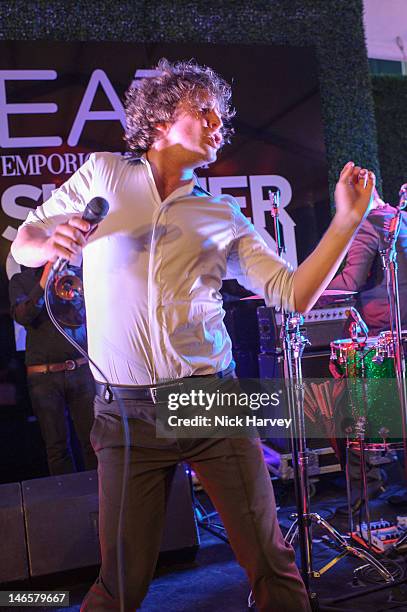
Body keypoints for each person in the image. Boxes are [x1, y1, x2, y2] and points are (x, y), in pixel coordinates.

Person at [10, 58, 375, 612]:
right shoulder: (105, 174)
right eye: (202, 111)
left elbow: (293, 292)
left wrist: (347, 221)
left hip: (209, 402)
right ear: (158, 119)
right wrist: (48, 240)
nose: (216, 123)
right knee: (119, 585)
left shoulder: (222, 214)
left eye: (220, 116)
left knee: (273, 569)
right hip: (127, 413)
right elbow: (26, 240)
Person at [8, 261, 97, 475]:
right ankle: (69, 504)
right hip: (44, 378)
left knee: (93, 443)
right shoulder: (21, 281)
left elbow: (88, 315)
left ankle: (102, 501)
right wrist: (44, 282)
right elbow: (23, 316)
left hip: (81, 371)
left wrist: (73, 291)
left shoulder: (78, 275)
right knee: (57, 448)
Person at [327, 188, 407, 335]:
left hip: (381, 329)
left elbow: (350, 283)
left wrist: (311, 294)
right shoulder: (403, 217)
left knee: (345, 342)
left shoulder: (367, 224)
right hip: (401, 326)